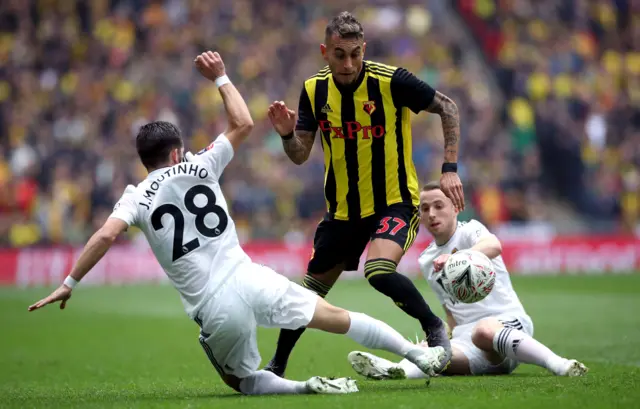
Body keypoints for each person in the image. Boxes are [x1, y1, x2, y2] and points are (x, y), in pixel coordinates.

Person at [27, 51, 447, 396]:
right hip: (249, 277)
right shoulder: (200, 164)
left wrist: (71, 282)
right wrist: (222, 77)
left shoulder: (135, 196)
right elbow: (244, 123)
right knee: (337, 315)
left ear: (146, 160)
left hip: (212, 306)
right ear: (177, 152)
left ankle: (303, 387)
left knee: (240, 380)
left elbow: (105, 235)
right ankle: (419, 355)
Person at [265, 11, 464, 378]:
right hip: (342, 213)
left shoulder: (392, 81)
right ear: (325, 51)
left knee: (378, 270)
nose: (348, 63)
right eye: (340, 54)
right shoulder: (313, 90)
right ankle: (276, 366)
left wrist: (449, 169)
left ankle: (434, 327)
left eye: (355, 53)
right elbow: (299, 155)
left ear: (364, 49)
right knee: (307, 295)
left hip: (395, 201)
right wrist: (286, 134)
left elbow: (447, 107)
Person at [346, 181, 589, 379]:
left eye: (439, 206)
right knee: (430, 354)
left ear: (455, 207)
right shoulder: (426, 260)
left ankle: (559, 364)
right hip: (467, 339)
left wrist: (457, 258)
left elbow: (494, 245)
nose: (431, 214)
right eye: (425, 208)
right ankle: (393, 370)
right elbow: (451, 312)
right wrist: (440, 342)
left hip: (506, 324)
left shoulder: (470, 230)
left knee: (483, 331)